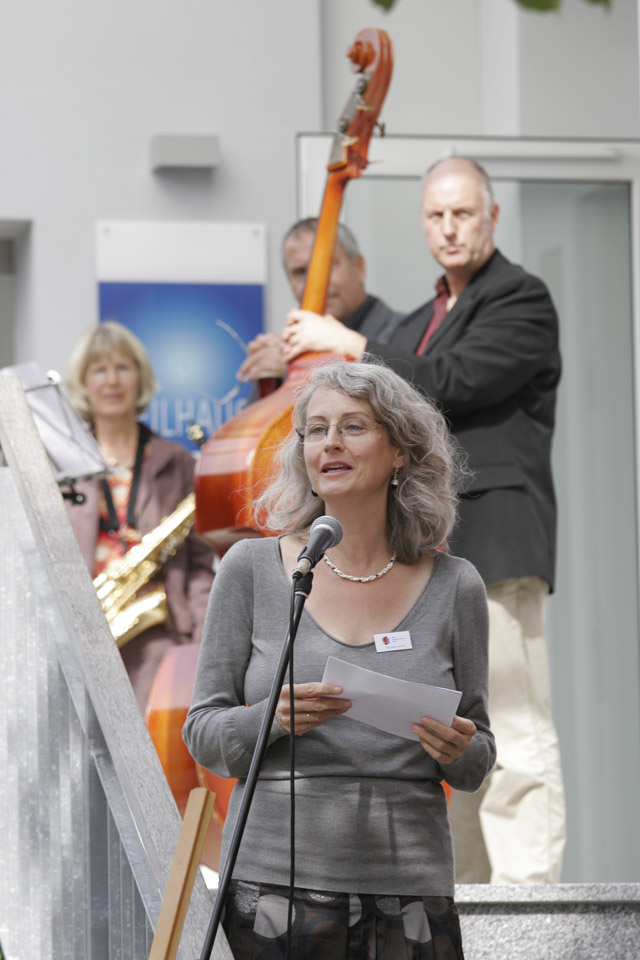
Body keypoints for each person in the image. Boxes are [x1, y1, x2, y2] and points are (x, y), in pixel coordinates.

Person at [280, 156, 566, 885]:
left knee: (515, 722)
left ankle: (530, 900)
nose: (449, 228)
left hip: (496, 541)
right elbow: (382, 373)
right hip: (430, 553)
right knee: (450, 730)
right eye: (436, 215)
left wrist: (347, 342)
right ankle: (470, 897)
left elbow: (446, 380)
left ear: (492, 216)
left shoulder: (521, 298)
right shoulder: (423, 316)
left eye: (463, 213)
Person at [183, 359, 495, 959]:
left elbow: (477, 758)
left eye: (353, 426)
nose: (330, 443)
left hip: (411, 893)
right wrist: (271, 719)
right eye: (316, 430)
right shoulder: (251, 569)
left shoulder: (456, 585)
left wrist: (458, 747)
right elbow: (204, 733)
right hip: (275, 887)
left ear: (400, 451)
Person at [64, 321, 215, 712]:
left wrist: (201, 641)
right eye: (100, 369)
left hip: (158, 638)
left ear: (140, 377)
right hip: (84, 635)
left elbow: (200, 562)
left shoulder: (176, 460)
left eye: (123, 367)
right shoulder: (61, 467)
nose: (112, 380)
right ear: (83, 383)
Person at [237, 218, 402, 386]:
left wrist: (293, 372)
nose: (315, 282)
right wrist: (271, 377)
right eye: (300, 272)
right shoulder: (288, 351)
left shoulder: (408, 336)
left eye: (326, 266)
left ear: (359, 267)